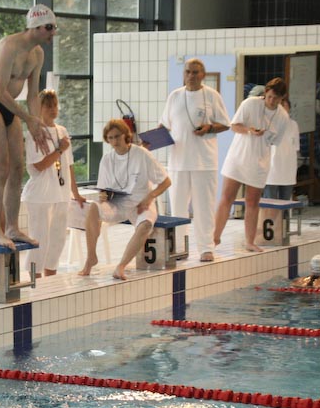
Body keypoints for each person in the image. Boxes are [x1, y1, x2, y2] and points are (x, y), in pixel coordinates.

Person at [0, 4, 56, 250]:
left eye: (54, 27)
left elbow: (32, 95)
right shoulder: (8, 47)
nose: (53, 32)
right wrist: (28, 119)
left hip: (11, 107)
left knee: (18, 169)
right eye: (49, 27)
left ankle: (11, 227)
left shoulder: (37, 54)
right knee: (0, 169)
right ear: (36, 26)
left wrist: (37, 123)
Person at [79, 119, 171, 280]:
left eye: (117, 136)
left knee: (145, 225)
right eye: (110, 138)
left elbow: (166, 182)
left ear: (126, 135)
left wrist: (150, 197)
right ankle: (91, 258)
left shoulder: (142, 154)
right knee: (93, 208)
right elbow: (103, 190)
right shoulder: (107, 160)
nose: (114, 141)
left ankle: (121, 266)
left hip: (142, 201)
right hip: (118, 203)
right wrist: (103, 196)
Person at [160, 58, 230, 262]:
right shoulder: (175, 96)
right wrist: (150, 140)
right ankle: (179, 247)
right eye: (188, 72)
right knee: (178, 208)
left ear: (203, 75)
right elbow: (164, 125)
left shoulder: (212, 95)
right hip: (178, 161)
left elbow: (225, 124)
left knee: (204, 208)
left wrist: (210, 128)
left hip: (204, 161)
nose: (191, 76)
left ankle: (206, 248)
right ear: (184, 74)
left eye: (195, 72)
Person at [213, 77, 290, 253]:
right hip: (238, 157)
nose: (271, 101)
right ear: (265, 93)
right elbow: (234, 126)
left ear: (282, 98)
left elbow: (275, 141)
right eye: (269, 97)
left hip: (259, 162)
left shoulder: (283, 117)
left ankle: (250, 241)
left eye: (276, 99)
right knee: (227, 197)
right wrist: (249, 130)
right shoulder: (250, 103)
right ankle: (215, 238)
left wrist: (262, 135)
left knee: (252, 202)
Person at [21, 89, 85, 278]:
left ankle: (51, 282)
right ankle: (35, 282)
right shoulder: (34, 133)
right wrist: (59, 150)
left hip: (61, 194)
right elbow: (39, 165)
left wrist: (75, 193)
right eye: (48, 106)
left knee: (57, 241)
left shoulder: (62, 131)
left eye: (55, 105)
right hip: (40, 195)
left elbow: (69, 165)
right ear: (39, 108)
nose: (53, 109)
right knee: (39, 240)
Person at [264, 97, 299, 201]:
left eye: (284, 106)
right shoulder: (267, 123)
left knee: (285, 202)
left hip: (288, 168)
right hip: (271, 168)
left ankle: (285, 214)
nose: (282, 109)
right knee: (270, 202)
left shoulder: (293, 125)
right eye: (279, 106)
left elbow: (296, 147)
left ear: (289, 108)